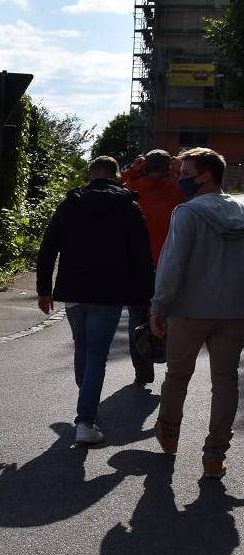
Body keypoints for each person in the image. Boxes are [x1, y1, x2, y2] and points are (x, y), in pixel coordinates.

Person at [36, 156, 154, 445]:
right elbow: (142, 256)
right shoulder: (129, 207)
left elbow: (48, 247)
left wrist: (44, 289)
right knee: (97, 355)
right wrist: (146, 296)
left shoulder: (70, 204)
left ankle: (86, 406)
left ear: (90, 174)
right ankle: (85, 421)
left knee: (83, 348)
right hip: (109, 292)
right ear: (116, 176)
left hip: (73, 290)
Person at [150, 147, 244, 478]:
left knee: (177, 375)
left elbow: (172, 264)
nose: (180, 179)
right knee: (226, 382)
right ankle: (215, 456)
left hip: (189, 309)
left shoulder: (187, 213)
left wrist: (159, 306)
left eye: (185, 174)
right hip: (234, 310)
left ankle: (169, 434)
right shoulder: (241, 210)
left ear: (206, 176)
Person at [119, 149, 184, 384]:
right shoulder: (177, 190)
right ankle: (171, 367)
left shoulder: (132, 189)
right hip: (168, 264)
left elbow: (109, 185)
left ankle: (142, 370)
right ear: (168, 168)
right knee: (170, 317)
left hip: (136, 265)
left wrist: (132, 171)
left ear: (145, 166)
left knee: (136, 316)